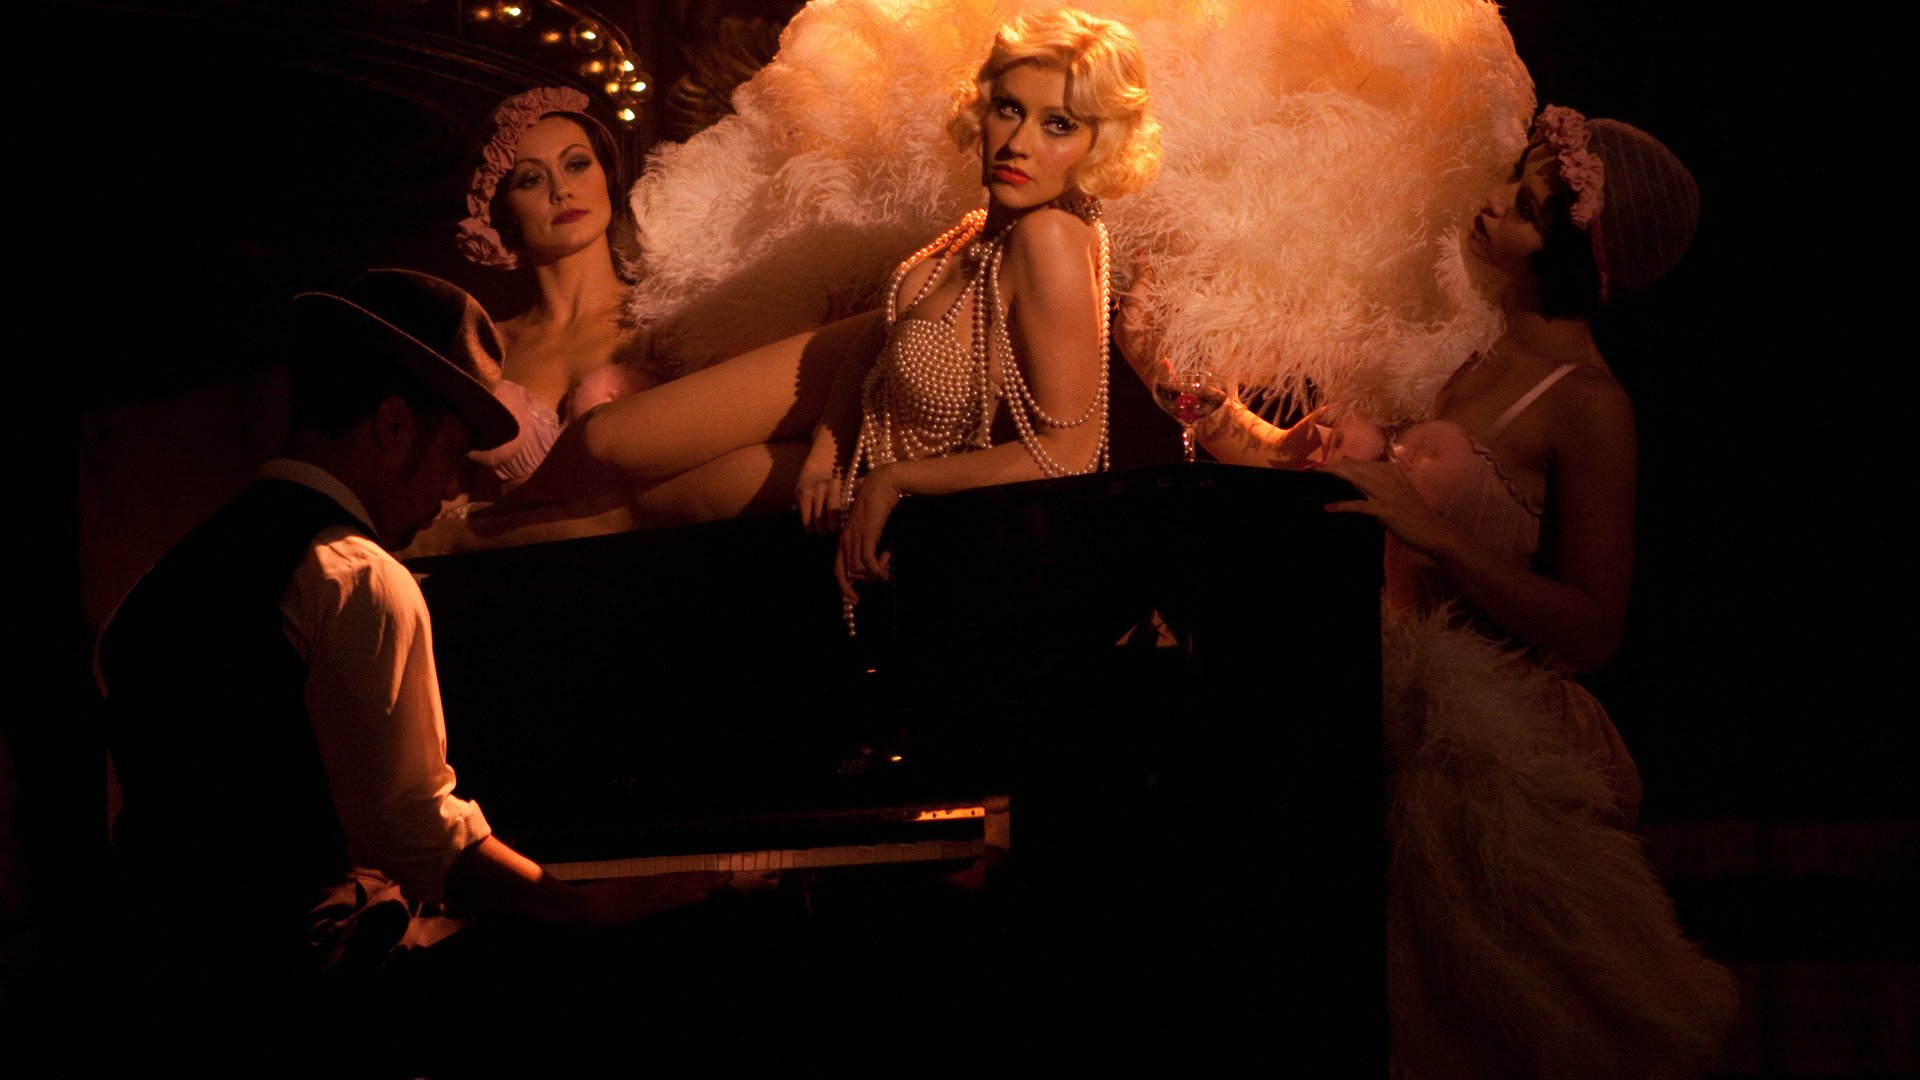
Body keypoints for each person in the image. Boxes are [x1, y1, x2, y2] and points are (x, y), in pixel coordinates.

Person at [1124, 106, 1738, 1078]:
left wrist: (1437, 536)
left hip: (1485, 765)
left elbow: (1594, 627)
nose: (1492, 203)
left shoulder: (1588, 404)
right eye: (1512, 179)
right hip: (1370, 729)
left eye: (1526, 207)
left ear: (1576, 259)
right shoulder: (1465, 349)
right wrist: (1171, 379)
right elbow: (1297, 467)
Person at [93, 269, 730, 1065]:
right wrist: (576, 907)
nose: (457, 485)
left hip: (155, 992)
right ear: (394, 425)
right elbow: (415, 833)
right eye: (454, 453)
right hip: (308, 996)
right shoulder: (355, 575)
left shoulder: (156, 586)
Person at [424, 7, 1162, 618]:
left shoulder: (1049, 238)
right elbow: (884, 338)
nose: (1019, 142)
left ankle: (461, 545)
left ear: (1097, 141)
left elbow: (1069, 455)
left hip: (900, 473)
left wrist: (892, 483)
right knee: (609, 441)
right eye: (1009, 108)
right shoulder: (981, 227)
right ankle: (477, 525)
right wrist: (828, 446)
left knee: (634, 506)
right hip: (852, 426)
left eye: (1058, 125)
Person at [453, 86, 658, 492]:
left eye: (577, 164)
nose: (561, 190)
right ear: (504, 211)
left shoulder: (663, 319)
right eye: (531, 178)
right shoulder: (488, 349)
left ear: (606, 176)